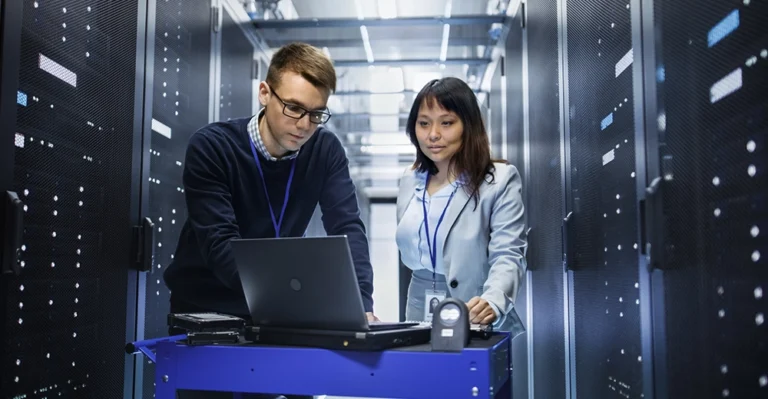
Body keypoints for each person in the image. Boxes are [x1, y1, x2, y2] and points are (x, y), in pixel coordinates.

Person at [163, 42, 377, 398]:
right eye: (294, 108)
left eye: (317, 113)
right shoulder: (213, 147)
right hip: (206, 309)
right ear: (265, 93)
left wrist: (361, 305)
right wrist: (289, 302)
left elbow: (347, 226)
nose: (305, 125)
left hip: (274, 311)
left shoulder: (324, 150)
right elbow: (220, 246)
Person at [395, 77, 528, 337]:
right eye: (424, 123)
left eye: (447, 123)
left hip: (475, 310)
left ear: (468, 126)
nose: (433, 134)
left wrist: (494, 300)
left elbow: (509, 254)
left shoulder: (499, 179)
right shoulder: (410, 180)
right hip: (418, 309)